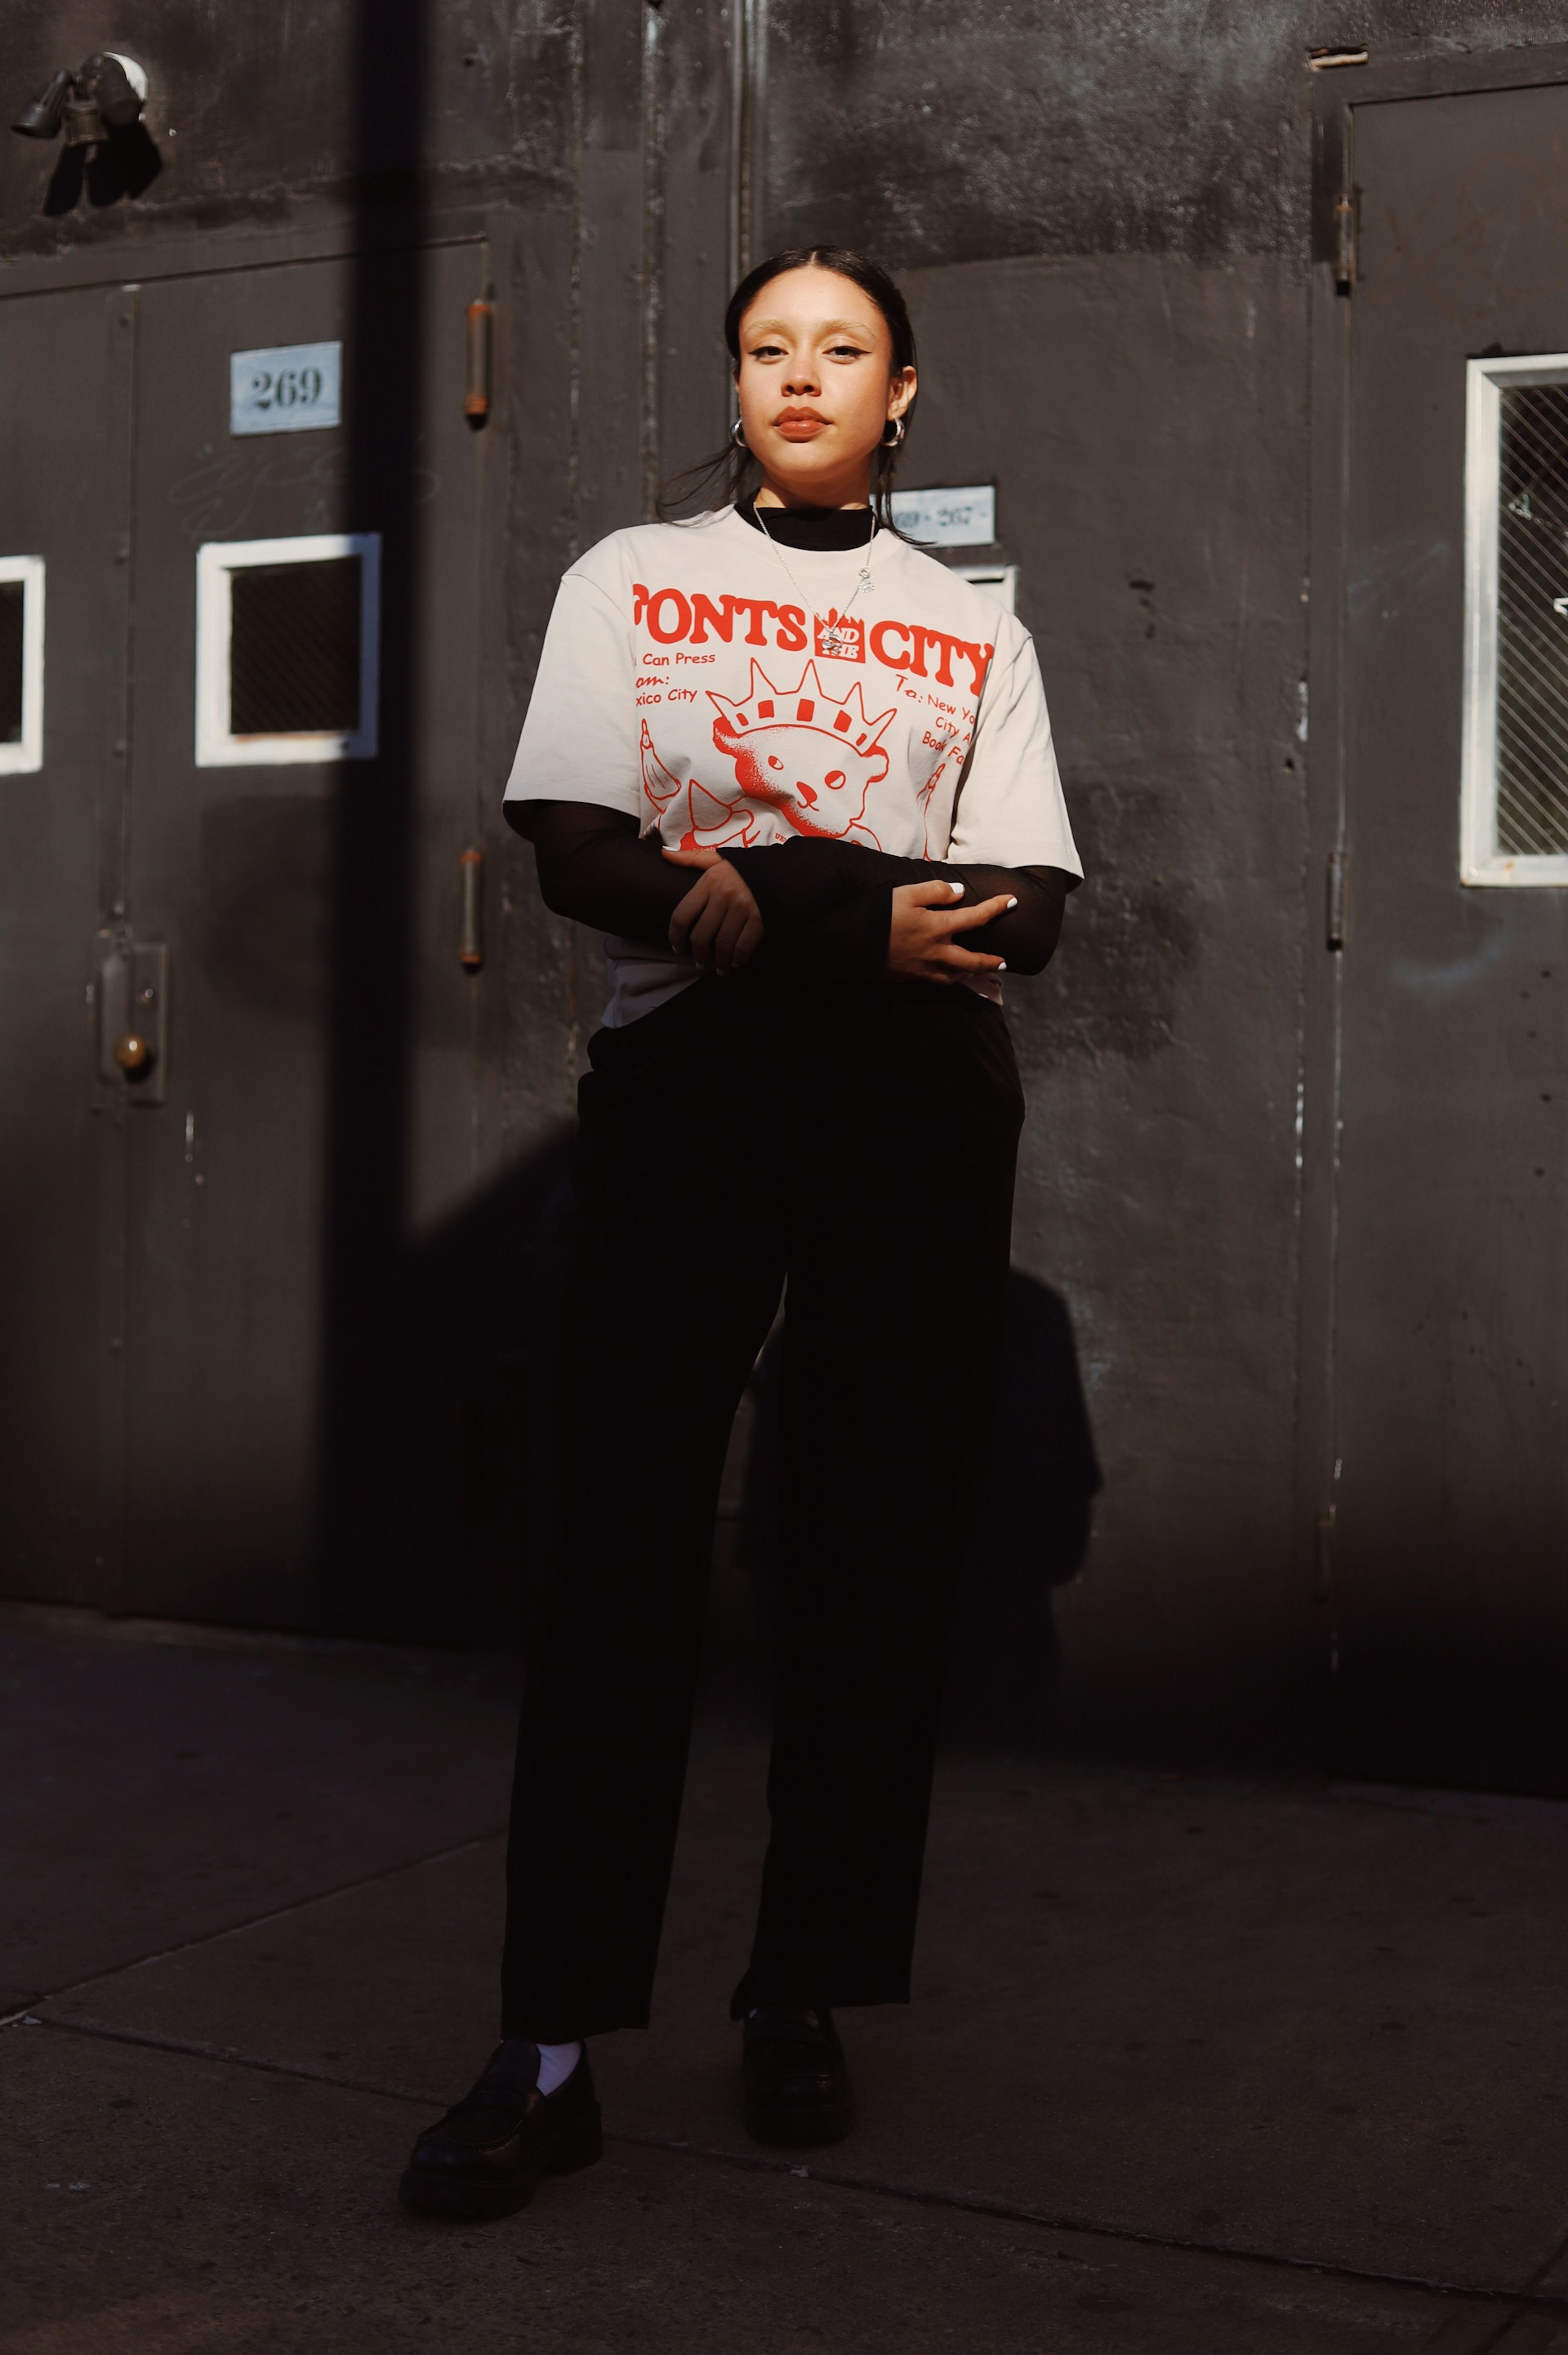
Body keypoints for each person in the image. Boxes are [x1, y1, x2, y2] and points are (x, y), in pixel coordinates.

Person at [399, 244, 1081, 2222]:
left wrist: (759, 892)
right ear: (738, 382)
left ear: (904, 391)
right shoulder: (628, 574)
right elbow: (575, 847)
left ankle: (804, 1988)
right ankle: (546, 2045)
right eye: (769, 347)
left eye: (841, 348)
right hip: (688, 1098)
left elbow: (1026, 907)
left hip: (915, 1111)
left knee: (864, 1553)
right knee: (616, 1541)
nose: (802, 375)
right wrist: (859, 914)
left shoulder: (971, 627)